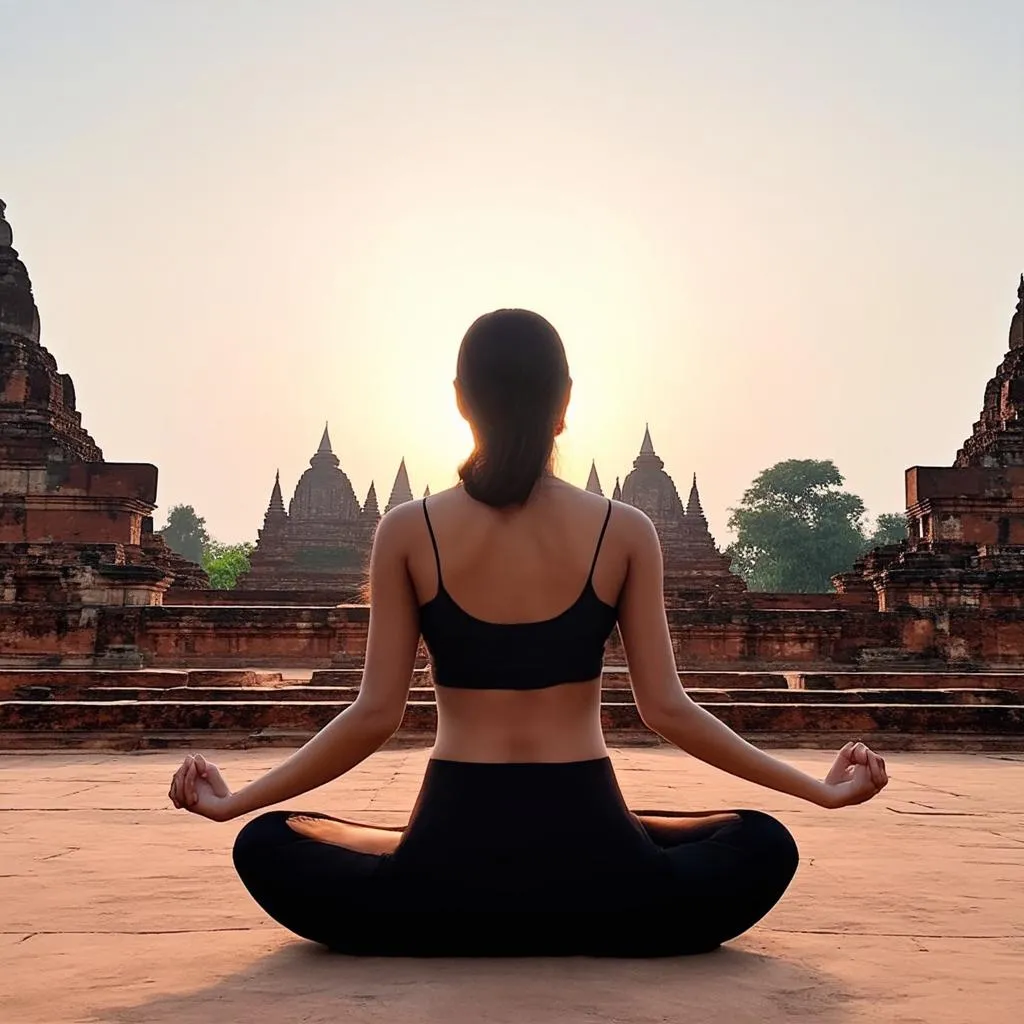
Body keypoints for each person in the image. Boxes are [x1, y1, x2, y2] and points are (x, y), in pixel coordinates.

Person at [168, 309, 888, 957]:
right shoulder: (624, 529)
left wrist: (238, 803)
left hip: (450, 854)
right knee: (761, 842)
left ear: (459, 400)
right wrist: (816, 792)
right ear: (565, 402)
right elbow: (666, 709)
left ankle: (424, 873)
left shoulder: (408, 530)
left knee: (269, 842)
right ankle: (595, 882)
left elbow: (374, 716)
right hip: (597, 854)